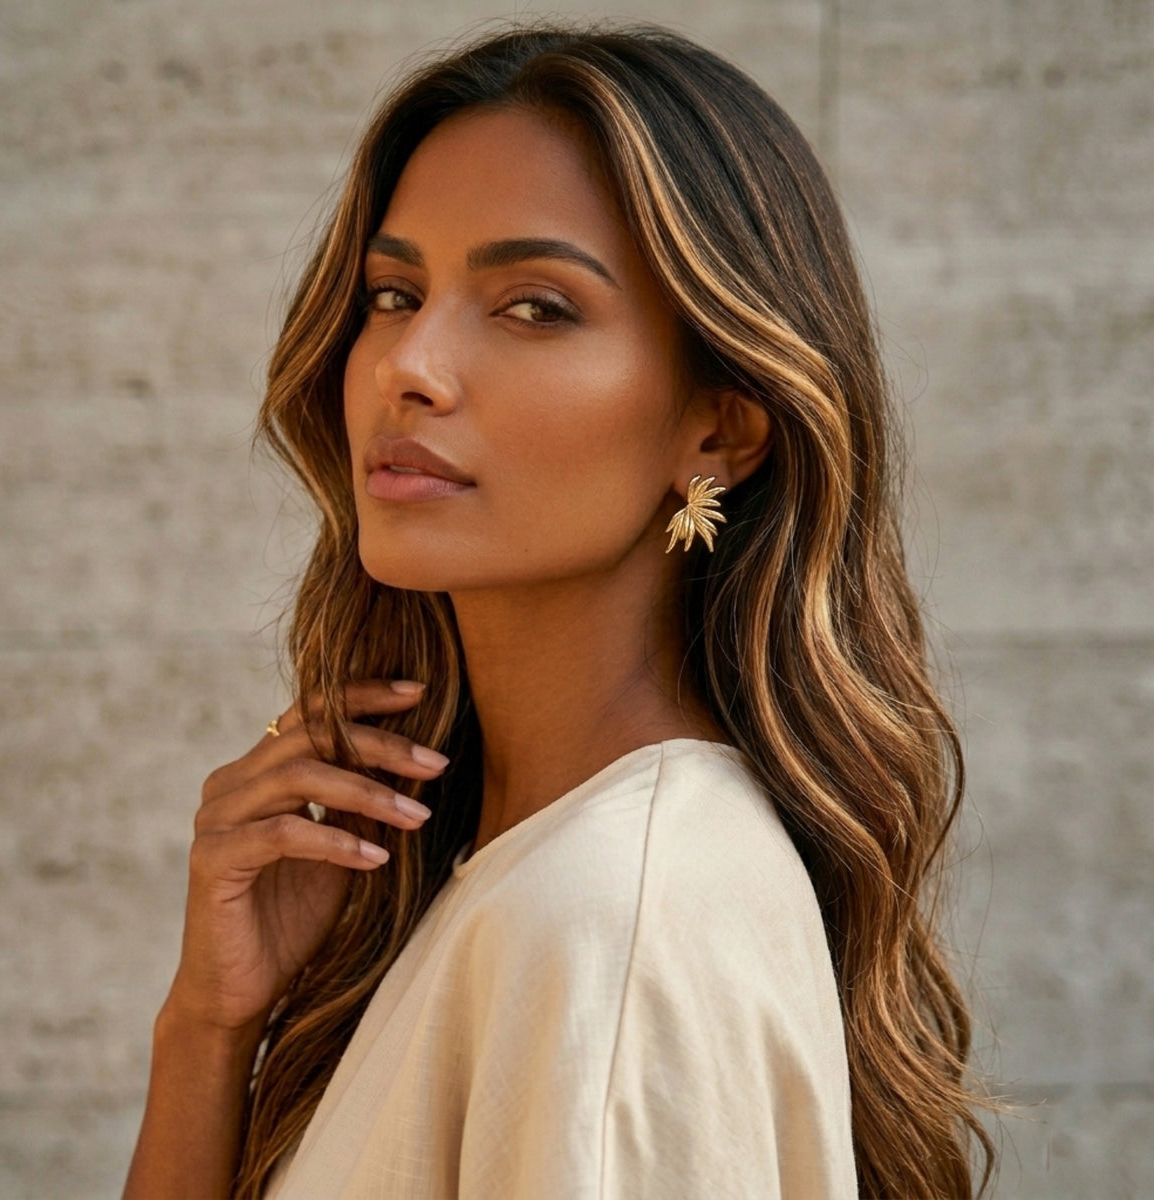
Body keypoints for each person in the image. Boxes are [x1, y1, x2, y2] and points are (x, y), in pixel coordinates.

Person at [122, 21, 996, 1200]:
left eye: (534, 307)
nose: (408, 364)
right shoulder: (512, 878)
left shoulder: (613, 921)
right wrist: (210, 1030)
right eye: (393, 292)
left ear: (720, 426)